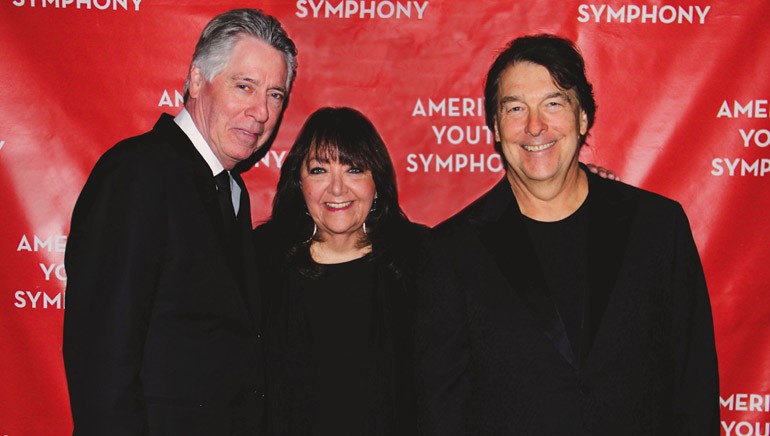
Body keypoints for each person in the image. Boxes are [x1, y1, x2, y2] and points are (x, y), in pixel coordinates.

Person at [416, 34, 719, 435]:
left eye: (553, 103)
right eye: (515, 108)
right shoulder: (451, 253)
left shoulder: (658, 228)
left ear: (582, 117)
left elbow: (693, 386)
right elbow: (441, 413)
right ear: (495, 127)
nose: (535, 126)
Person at [63, 9, 297, 435]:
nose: (261, 111)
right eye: (244, 86)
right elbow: (102, 359)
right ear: (195, 80)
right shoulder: (138, 174)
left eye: (275, 95)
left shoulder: (230, 190)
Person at [253, 107, 424, 436]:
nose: (336, 189)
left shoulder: (418, 259)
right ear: (299, 184)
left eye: (354, 169)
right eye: (318, 170)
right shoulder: (262, 261)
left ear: (377, 182)